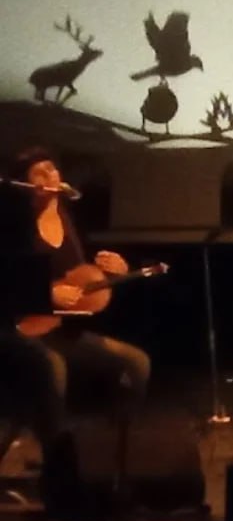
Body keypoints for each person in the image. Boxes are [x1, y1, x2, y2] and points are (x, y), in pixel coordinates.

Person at [3, 146, 150, 451]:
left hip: (62, 329)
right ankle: (57, 460)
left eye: (52, 168)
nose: (49, 175)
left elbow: (84, 276)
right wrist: (45, 292)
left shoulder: (71, 220)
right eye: (38, 172)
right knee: (51, 366)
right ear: (25, 184)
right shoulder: (14, 225)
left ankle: (113, 451)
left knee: (136, 362)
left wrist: (114, 269)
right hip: (20, 330)